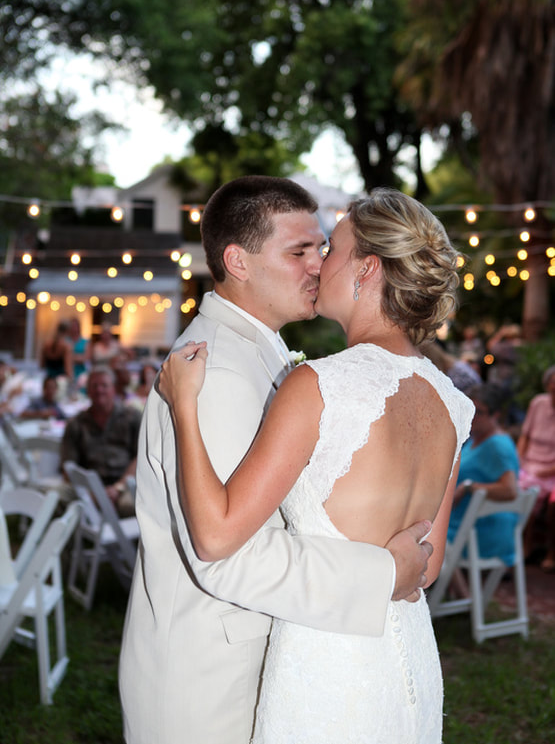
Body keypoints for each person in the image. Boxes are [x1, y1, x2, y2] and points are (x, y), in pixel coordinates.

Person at [119, 177, 436, 744]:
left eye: (320, 248)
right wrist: (385, 573)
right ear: (237, 261)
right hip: (212, 686)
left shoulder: (264, 357)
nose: (319, 265)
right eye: (299, 252)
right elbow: (227, 557)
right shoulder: (214, 370)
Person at [447, 383, 519, 591]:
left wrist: (468, 487)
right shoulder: (476, 439)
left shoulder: (497, 445)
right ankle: (460, 600)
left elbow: (510, 490)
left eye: (480, 412)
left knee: (426, 532)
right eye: (470, 408)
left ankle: (462, 600)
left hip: (482, 532)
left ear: (496, 415)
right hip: (468, 525)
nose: (473, 416)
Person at [60, 366, 141, 515]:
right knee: (55, 495)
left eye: (104, 385)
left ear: (114, 389)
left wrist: (118, 488)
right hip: (87, 486)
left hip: (125, 483)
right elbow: (68, 467)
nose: (99, 390)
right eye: (94, 386)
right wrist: (92, 493)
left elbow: (141, 457)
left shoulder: (132, 417)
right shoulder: (76, 424)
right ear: (88, 390)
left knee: (130, 505)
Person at [517, 364, 555, 572]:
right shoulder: (538, 403)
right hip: (531, 465)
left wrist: (546, 471)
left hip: (551, 470)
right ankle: (524, 545)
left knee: (553, 503)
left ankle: (550, 552)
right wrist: (519, 459)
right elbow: (525, 435)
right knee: (522, 489)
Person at [68, 317, 88, 383]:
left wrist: (69, 357)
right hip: (67, 371)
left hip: (81, 373)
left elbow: (85, 358)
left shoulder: (85, 342)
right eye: (72, 326)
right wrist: (78, 357)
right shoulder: (65, 341)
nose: (73, 328)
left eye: (75, 326)